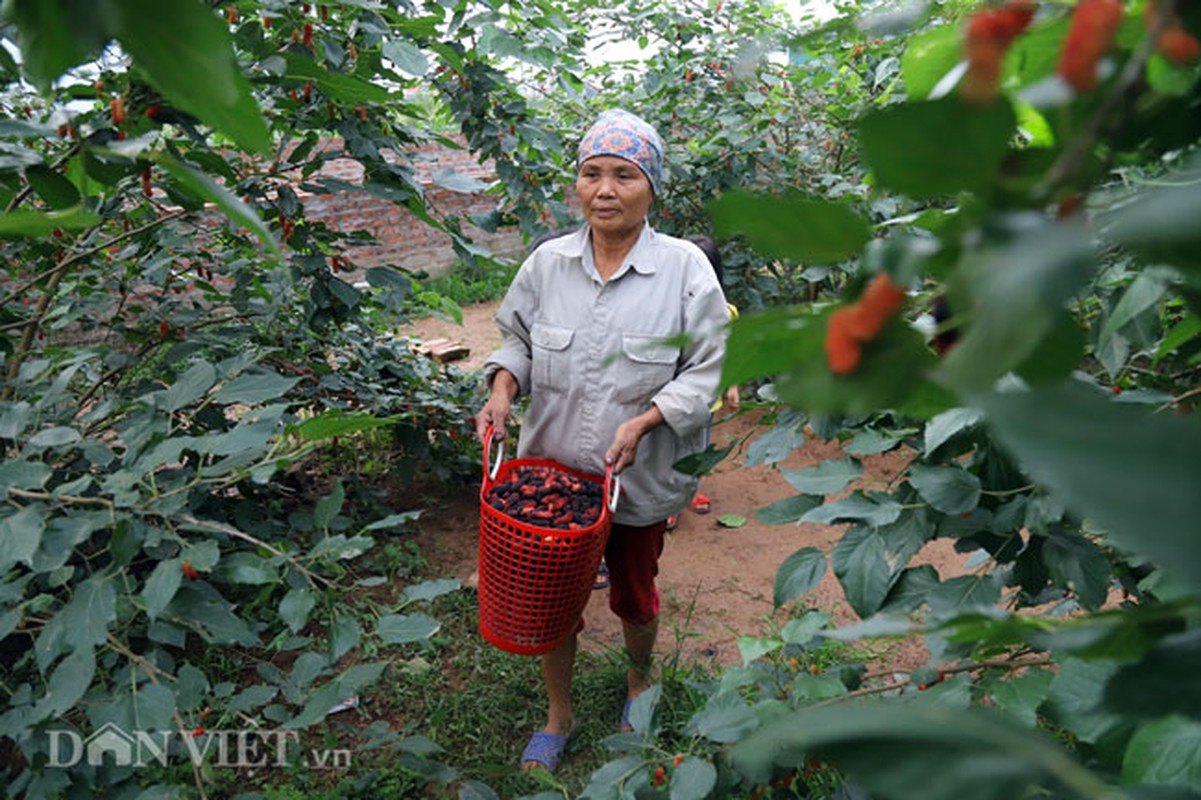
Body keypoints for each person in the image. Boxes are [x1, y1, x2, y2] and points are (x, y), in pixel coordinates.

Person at [474, 108, 728, 773]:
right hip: (552, 474)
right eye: (591, 174)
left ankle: (639, 678)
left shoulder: (684, 272)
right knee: (548, 600)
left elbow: (711, 367)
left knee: (634, 594)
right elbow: (516, 340)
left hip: (637, 481)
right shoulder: (545, 265)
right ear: (576, 184)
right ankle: (558, 713)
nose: (605, 189)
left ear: (652, 188)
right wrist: (502, 387)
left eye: (624, 175)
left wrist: (647, 421)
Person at [667, 234, 740, 529]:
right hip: (671, 396)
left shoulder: (726, 313)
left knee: (698, 447)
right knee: (668, 447)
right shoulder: (667, 310)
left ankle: (692, 491)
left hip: (707, 398)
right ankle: (669, 501)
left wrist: (732, 384)